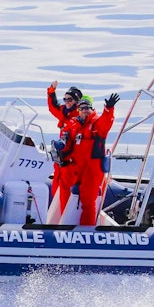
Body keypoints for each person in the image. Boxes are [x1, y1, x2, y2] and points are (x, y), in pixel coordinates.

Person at [54, 93, 120, 225]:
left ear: (91, 109)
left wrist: (109, 108)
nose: (84, 110)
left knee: (88, 201)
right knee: (64, 192)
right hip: (76, 167)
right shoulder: (75, 125)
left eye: (87, 108)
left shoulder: (96, 124)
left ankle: (87, 230)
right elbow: (67, 139)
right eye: (82, 108)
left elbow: (107, 121)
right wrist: (61, 144)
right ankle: (63, 225)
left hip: (92, 169)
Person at [46, 82, 83, 214]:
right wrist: (51, 91)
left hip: (72, 162)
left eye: (70, 99)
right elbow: (52, 106)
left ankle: (65, 219)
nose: (67, 102)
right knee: (56, 185)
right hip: (60, 159)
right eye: (65, 99)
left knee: (67, 191)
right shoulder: (64, 112)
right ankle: (55, 215)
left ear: (76, 101)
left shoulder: (80, 115)